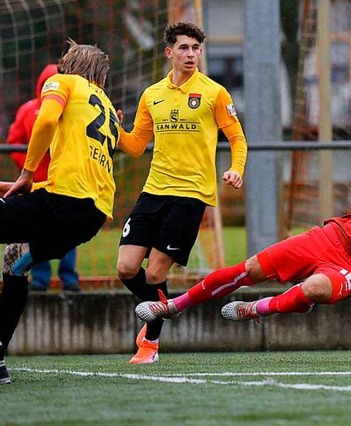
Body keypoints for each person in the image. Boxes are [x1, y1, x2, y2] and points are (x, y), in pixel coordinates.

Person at [135, 126, 351, 332]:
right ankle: (175, 306)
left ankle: (258, 309)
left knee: (317, 287)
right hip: (328, 238)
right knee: (250, 269)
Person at [116, 21, 248, 364]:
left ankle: (150, 345)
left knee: (156, 273)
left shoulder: (215, 93)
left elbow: (237, 138)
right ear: (169, 52)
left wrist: (236, 168)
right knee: (126, 268)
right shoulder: (152, 95)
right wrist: (115, 129)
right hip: (154, 190)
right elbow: (134, 146)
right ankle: (164, 309)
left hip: (191, 194)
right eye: (185, 48)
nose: (191, 55)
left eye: (196, 49)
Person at [0, 41, 128, 385]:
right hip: (90, 218)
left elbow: (44, 121)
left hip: (63, 203)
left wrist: (27, 173)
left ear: (68, 64)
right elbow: (130, 148)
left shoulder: (63, 82)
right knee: (15, 261)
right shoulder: (106, 107)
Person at [6, 64, 80, 292]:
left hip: (64, 183)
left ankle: (68, 277)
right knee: (42, 229)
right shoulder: (29, 110)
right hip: (39, 184)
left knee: (64, 230)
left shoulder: (73, 111)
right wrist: (29, 165)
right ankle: (42, 278)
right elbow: (13, 142)